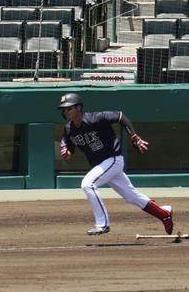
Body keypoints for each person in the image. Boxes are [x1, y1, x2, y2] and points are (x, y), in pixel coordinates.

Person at [57, 92, 174, 236]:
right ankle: (164, 214)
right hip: (102, 166)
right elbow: (69, 145)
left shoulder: (95, 118)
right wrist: (68, 150)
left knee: (88, 184)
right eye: (64, 109)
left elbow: (120, 116)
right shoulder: (69, 128)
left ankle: (102, 224)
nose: (66, 111)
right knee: (132, 196)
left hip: (113, 159)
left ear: (79, 108)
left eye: (69, 108)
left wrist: (134, 136)